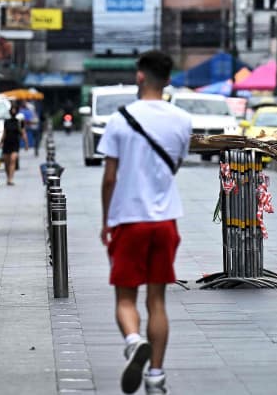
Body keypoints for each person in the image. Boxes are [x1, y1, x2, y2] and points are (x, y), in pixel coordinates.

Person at [98, 50, 192, 395]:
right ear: (168, 79)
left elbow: (109, 178)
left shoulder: (120, 119)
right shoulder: (182, 120)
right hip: (166, 220)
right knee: (158, 300)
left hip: (128, 219)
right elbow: (174, 166)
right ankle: (156, 376)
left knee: (126, 299)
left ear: (140, 76)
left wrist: (107, 220)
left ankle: (134, 340)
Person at [1, 100, 27, 185]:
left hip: (15, 143)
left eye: (15, 110)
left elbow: (23, 133)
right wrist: (0, 142)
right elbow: (4, 133)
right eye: (12, 110)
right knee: (6, 162)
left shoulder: (19, 122)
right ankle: (8, 176)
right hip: (6, 143)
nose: (13, 111)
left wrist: (26, 143)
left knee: (13, 160)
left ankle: (11, 179)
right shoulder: (7, 121)